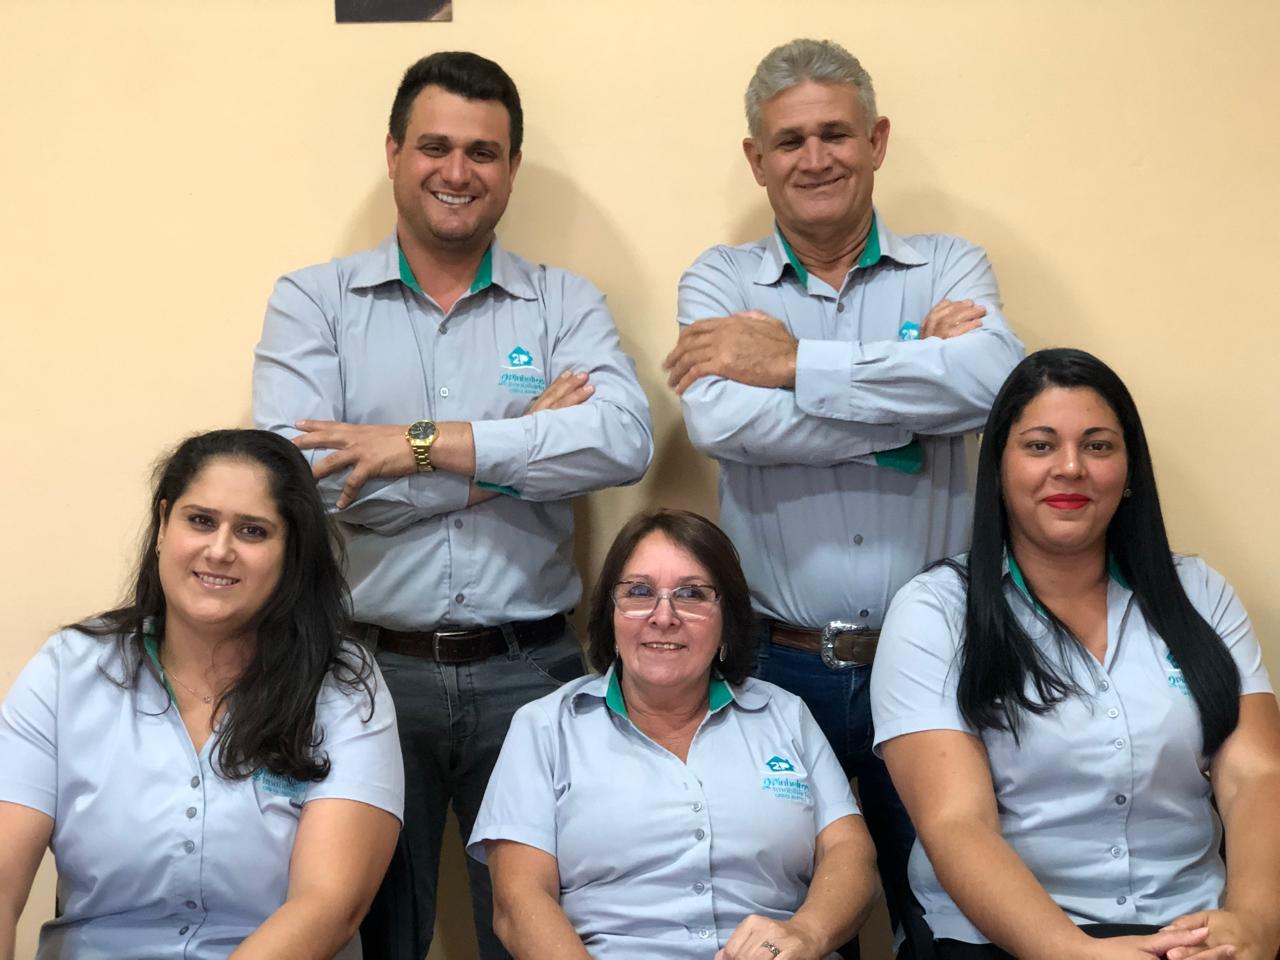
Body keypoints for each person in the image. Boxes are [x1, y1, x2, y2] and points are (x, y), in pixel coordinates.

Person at [252, 51, 653, 959]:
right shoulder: (313, 302)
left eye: (483, 152)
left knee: (536, 930)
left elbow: (623, 441)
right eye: (435, 146)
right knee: (372, 932)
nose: (458, 171)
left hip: (532, 672)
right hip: (364, 674)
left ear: (511, 168)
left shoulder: (563, 302)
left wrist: (411, 445)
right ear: (394, 153)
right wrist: (518, 451)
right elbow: (298, 485)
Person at [663, 37, 1024, 955]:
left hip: (935, 657)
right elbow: (723, 423)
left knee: (943, 914)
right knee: (795, 923)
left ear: (877, 141)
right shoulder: (719, 280)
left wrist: (791, 364)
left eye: (836, 134)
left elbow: (994, 386)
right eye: (790, 141)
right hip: (776, 664)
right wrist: (913, 401)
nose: (815, 158)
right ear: (757, 159)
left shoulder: (949, 265)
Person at [870, 349, 1280, 959]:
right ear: (999, 467)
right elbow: (957, 822)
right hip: (1005, 939)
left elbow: (1256, 776)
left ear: (1130, 469)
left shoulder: (1199, 593)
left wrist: (1254, 924)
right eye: (1040, 446)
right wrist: (1072, 952)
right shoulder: (934, 612)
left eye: (1097, 446)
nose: (1069, 468)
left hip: (1191, 928)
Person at [0, 429, 403, 960]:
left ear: (292, 551)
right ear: (164, 524)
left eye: (253, 531)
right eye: (200, 521)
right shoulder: (68, 669)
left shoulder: (342, 683)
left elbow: (329, 905)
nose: (219, 550)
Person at [468, 509, 879, 959]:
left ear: (727, 620)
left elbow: (849, 852)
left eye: (692, 594)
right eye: (639, 592)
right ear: (611, 613)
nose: (663, 616)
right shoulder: (546, 727)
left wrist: (806, 933)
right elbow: (519, 901)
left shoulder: (785, 715)